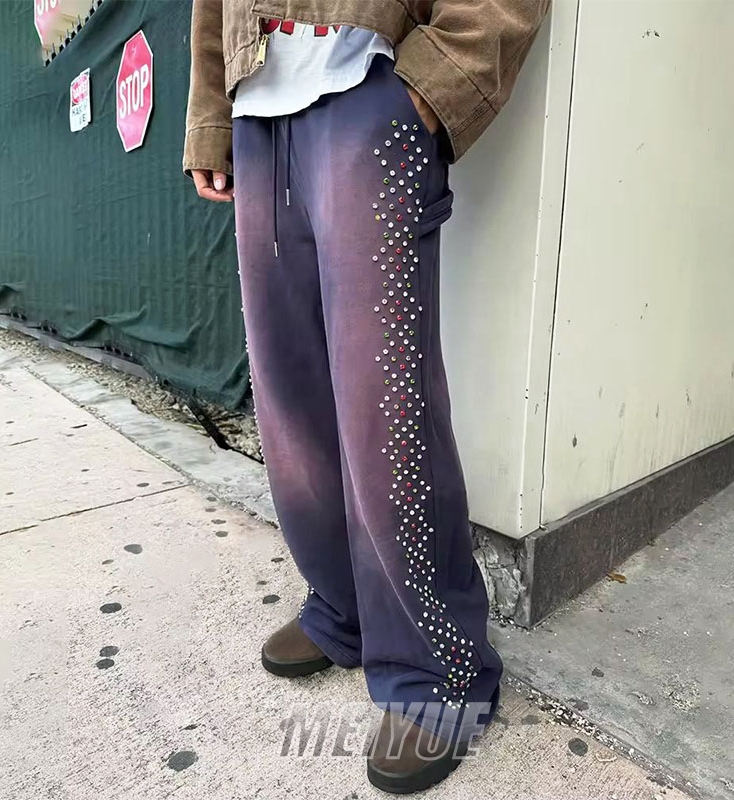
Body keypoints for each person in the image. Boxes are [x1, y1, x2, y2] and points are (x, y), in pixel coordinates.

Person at [184, 1, 549, 792]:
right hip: (259, 112)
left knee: (386, 410)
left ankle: (439, 670)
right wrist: (212, 116)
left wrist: (430, 87)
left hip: (367, 92)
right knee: (290, 400)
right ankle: (343, 606)